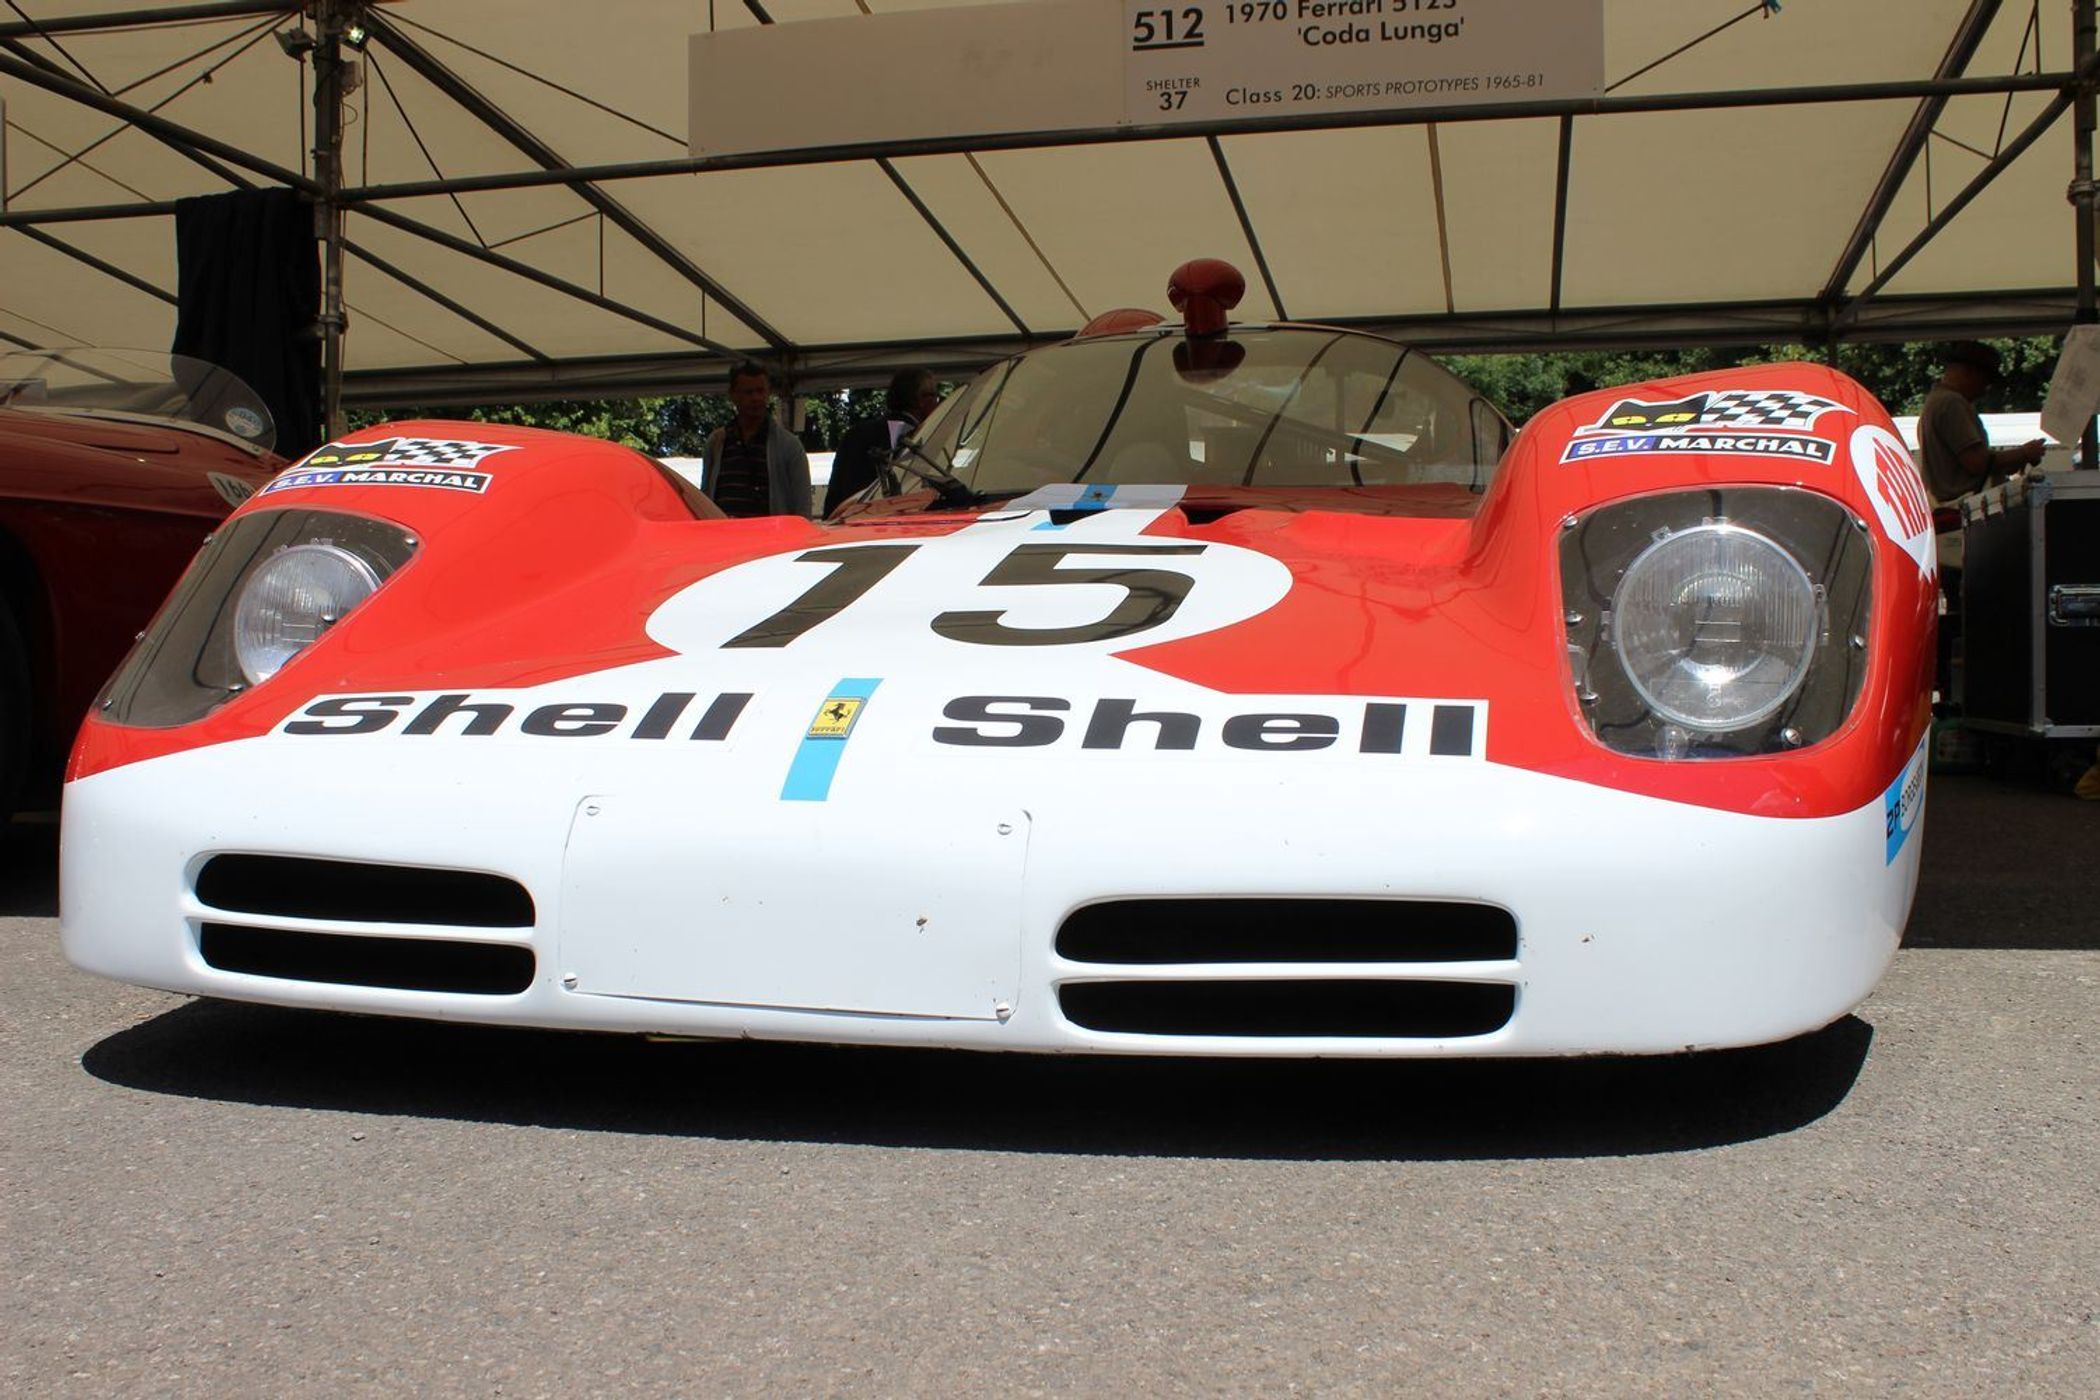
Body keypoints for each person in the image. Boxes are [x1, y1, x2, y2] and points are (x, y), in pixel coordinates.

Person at [1918, 340, 2046, 505]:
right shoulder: (1951, 403)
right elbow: (1977, 462)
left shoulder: (1936, 400)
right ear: (1970, 372)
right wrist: (2024, 452)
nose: (1986, 389)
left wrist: (2011, 460)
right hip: (1963, 508)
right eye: (1986, 380)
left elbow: (1971, 464)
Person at [700, 361, 812, 518]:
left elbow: (803, 507)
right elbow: (705, 499)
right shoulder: (716, 443)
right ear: (733, 395)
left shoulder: (789, 446)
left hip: (771, 533)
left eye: (760, 391)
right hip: (724, 531)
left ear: (768, 393)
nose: (756, 398)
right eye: (748, 392)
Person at [823, 368, 942, 515]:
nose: (937, 403)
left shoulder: (856, 433)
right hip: (897, 519)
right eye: (935, 396)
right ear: (922, 400)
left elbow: (836, 492)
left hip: (848, 518)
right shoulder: (921, 438)